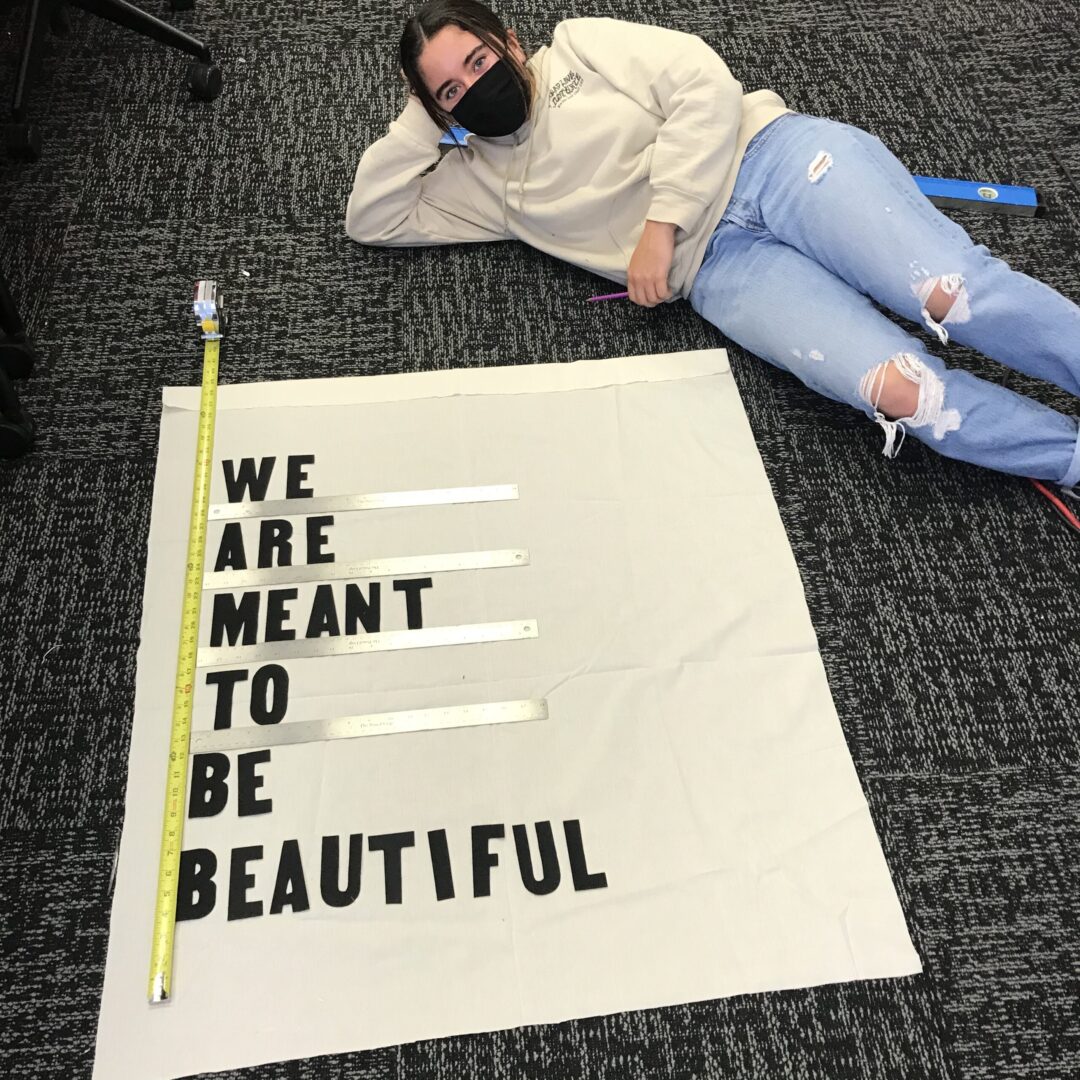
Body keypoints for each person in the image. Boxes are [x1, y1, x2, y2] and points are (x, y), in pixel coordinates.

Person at [346, 1, 1080, 490]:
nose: (474, 86)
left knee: (948, 293)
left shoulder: (574, 46)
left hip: (769, 159)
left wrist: (659, 226)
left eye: (477, 60)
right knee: (904, 396)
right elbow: (371, 218)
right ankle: (1070, 459)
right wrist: (423, 119)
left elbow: (702, 77)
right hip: (725, 269)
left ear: (508, 41)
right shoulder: (478, 184)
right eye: (448, 92)